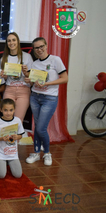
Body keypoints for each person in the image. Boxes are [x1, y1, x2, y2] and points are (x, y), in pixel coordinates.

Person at [25, 37, 68, 166]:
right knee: (37, 127)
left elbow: (65, 78)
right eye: (36, 48)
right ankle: (36, 153)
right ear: (34, 49)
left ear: (46, 45)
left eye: (41, 46)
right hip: (35, 96)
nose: (39, 49)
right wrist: (29, 81)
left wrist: (47, 83)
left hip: (49, 98)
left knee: (40, 128)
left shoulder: (55, 60)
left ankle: (47, 153)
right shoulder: (35, 63)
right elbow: (34, 81)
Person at [0, 32, 33, 122]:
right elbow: (4, 79)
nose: (11, 43)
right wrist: (4, 76)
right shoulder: (4, 58)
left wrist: (26, 73)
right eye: (9, 41)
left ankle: (16, 136)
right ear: (7, 43)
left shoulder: (27, 56)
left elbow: (31, 77)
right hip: (9, 89)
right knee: (6, 117)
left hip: (23, 90)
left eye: (14, 40)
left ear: (18, 41)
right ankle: (6, 136)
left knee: (18, 119)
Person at [0, 99, 24, 178]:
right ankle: (0, 163)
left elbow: (20, 135)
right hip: (0, 152)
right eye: (5, 110)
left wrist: (17, 137)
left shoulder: (17, 121)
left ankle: (7, 163)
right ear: (1, 110)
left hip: (12, 153)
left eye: (11, 110)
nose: (8, 113)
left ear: (14, 110)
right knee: (1, 175)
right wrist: (1, 138)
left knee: (18, 175)